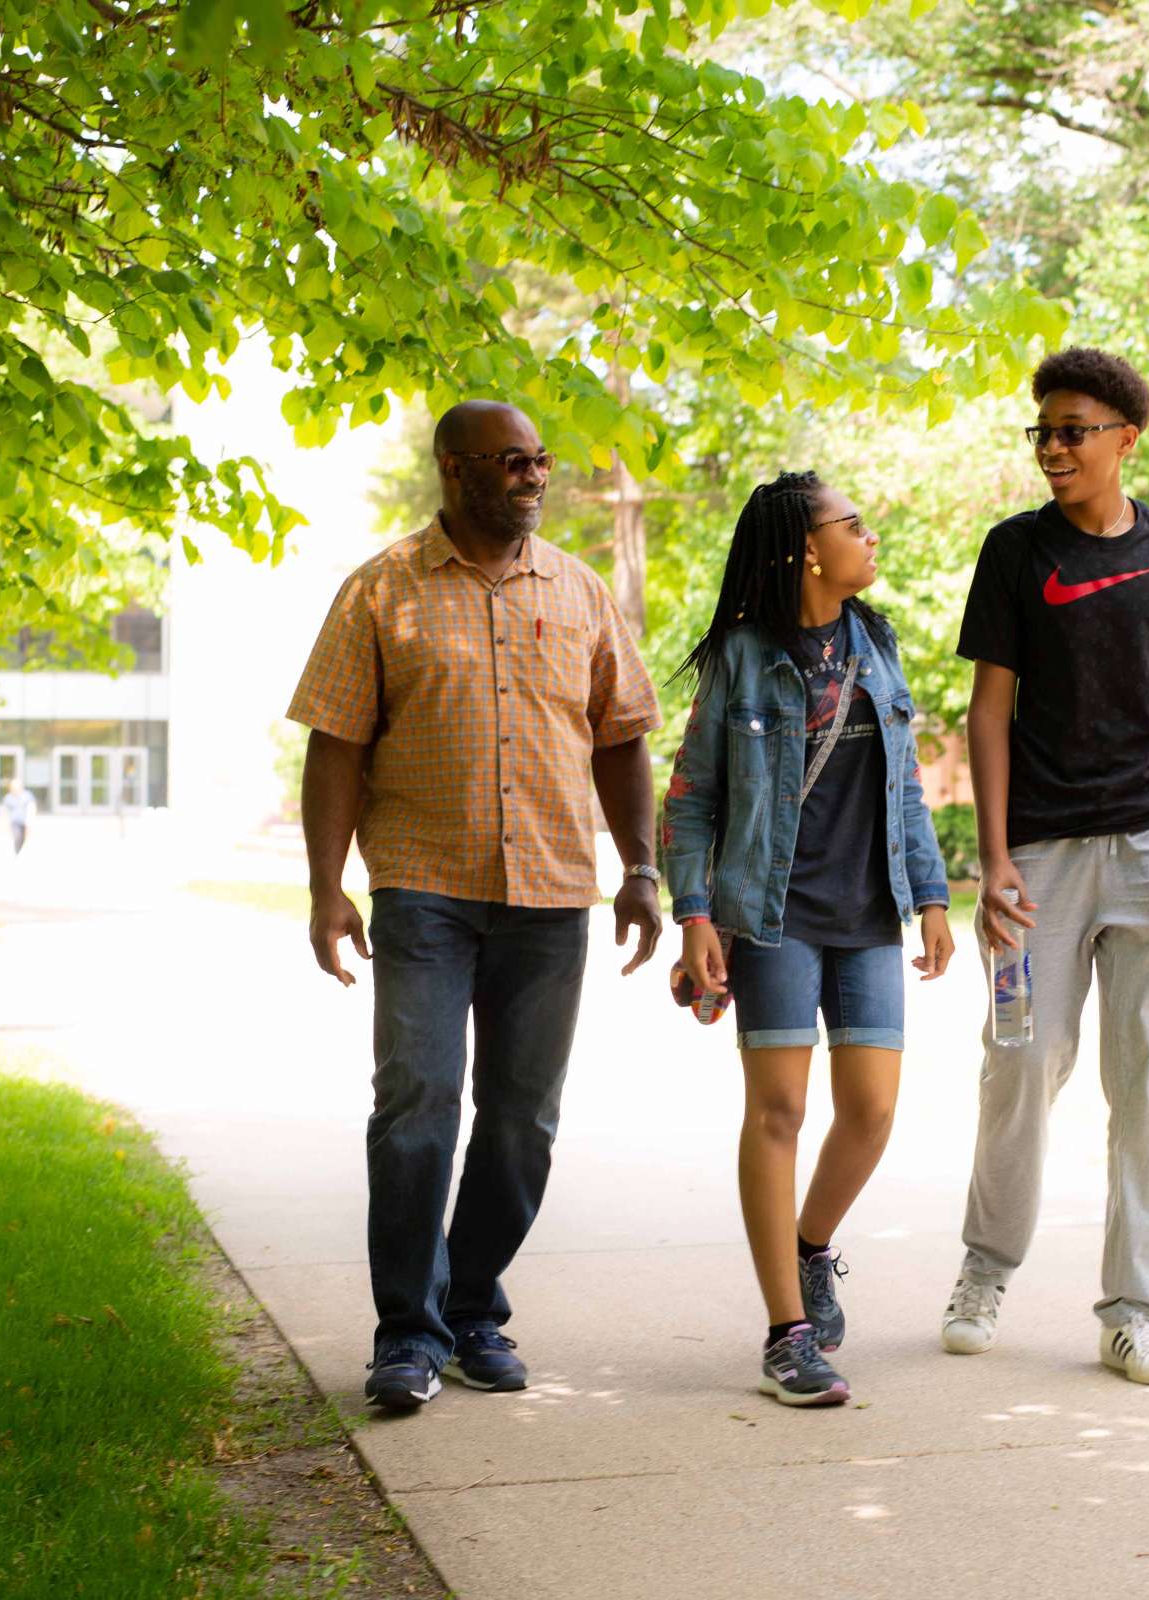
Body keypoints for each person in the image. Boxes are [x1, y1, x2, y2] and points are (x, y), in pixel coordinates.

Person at [288, 401, 665, 1413]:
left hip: (549, 892)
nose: (536, 474)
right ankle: (407, 1333)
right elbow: (336, 744)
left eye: (543, 457)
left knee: (522, 1122)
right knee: (416, 1105)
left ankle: (470, 1308)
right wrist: (328, 887)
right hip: (424, 887)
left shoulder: (579, 590)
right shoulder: (382, 589)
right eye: (514, 460)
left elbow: (622, 736)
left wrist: (641, 868)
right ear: (455, 470)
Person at [940, 347, 1149, 1386]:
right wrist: (994, 856)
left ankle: (1134, 1310)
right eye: (1044, 432)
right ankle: (985, 1267)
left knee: (1145, 1083)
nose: (1054, 448)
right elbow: (989, 709)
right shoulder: (1014, 550)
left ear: (1125, 440)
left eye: (1073, 431)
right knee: (1020, 1057)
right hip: (1043, 856)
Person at [661, 473, 956, 1409]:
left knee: (870, 1112)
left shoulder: (876, 646)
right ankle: (787, 1334)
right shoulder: (741, 660)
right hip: (773, 914)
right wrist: (696, 913)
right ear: (805, 549)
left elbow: (906, 786)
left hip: (869, 913)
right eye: (853, 523)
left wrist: (935, 895)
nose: (871, 536)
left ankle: (809, 1245)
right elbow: (692, 799)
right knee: (779, 1113)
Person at [2, 776, 35, 855]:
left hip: (24, 822)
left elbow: (31, 808)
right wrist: (5, 824)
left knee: (23, 839)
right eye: (13, 786)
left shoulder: (27, 796)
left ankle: (20, 852)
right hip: (14, 822)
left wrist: (30, 822)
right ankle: (17, 852)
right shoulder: (8, 797)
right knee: (17, 837)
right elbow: (5, 812)